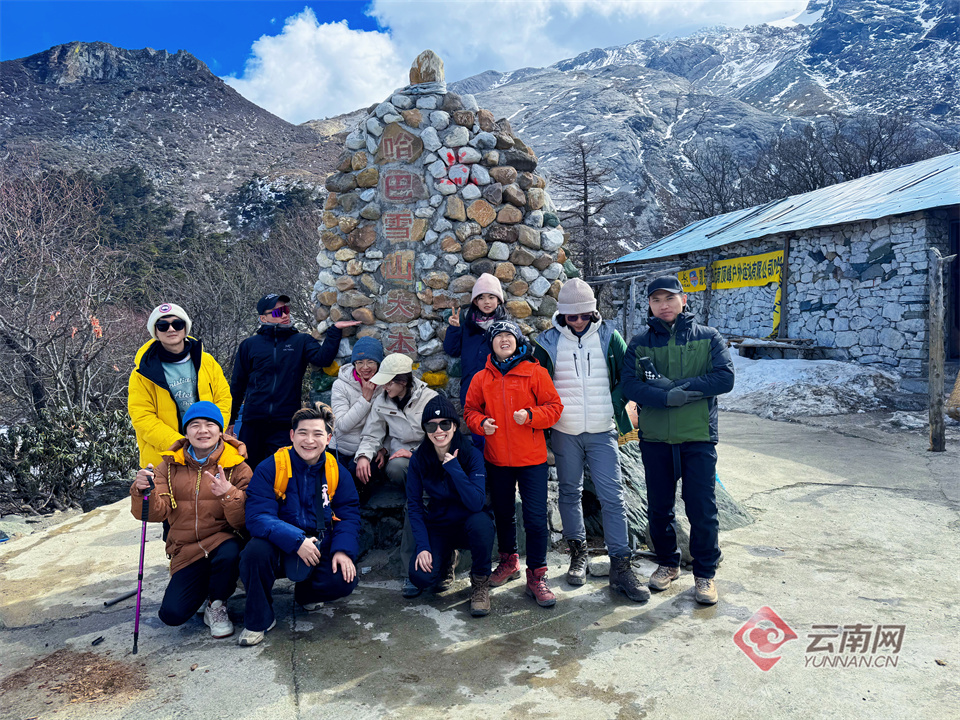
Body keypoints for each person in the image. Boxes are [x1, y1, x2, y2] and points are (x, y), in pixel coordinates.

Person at [533, 278, 650, 603]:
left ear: (593, 312)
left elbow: (630, 375)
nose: (578, 321)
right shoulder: (547, 342)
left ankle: (621, 566)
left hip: (602, 430)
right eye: (572, 316)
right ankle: (578, 554)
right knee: (570, 493)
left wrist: (615, 402)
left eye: (584, 315)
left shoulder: (610, 336)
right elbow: (537, 385)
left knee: (613, 497)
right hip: (564, 431)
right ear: (562, 314)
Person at [619, 276, 735, 606]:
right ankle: (668, 563)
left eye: (669, 298)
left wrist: (683, 389)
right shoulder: (640, 342)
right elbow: (629, 384)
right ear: (650, 305)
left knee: (702, 508)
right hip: (655, 438)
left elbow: (724, 378)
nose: (664, 305)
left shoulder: (708, 337)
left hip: (697, 437)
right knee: (659, 507)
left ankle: (705, 573)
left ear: (683, 300)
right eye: (656, 300)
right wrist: (664, 397)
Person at [238, 403, 361, 646]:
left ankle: (306, 593)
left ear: (328, 438)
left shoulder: (336, 471)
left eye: (317, 434)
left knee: (344, 579)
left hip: (319, 542)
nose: (309, 440)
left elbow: (348, 513)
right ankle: (259, 618)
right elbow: (257, 516)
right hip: (278, 542)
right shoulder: (271, 467)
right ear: (292, 435)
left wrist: (343, 551)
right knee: (254, 552)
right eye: (303, 433)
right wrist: (296, 541)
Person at [129, 401, 252, 639]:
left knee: (230, 552)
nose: (202, 430)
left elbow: (245, 522)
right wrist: (143, 491)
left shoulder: (237, 466)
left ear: (221, 431)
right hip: (186, 549)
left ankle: (217, 604)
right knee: (172, 615)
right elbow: (154, 514)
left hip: (222, 542)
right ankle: (204, 590)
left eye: (210, 424)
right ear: (186, 432)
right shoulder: (168, 466)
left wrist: (229, 494)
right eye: (195, 425)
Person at [464, 321, 563, 608]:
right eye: (498, 336)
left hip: (532, 460)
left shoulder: (535, 372)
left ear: (518, 341)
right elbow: (470, 410)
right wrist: (481, 423)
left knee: (535, 518)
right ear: (491, 344)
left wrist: (531, 416)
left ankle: (537, 575)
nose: (504, 340)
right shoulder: (482, 378)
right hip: (497, 459)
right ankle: (509, 562)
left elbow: (554, 408)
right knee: (504, 514)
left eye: (509, 335)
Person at [228, 292, 360, 469]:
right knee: (247, 470)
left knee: (282, 471)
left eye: (286, 310)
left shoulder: (301, 340)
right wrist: (230, 420)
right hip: (253, 422)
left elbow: (323, 359)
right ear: (263, 318)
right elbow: (238, 384)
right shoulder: (249, 345)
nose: (284, 315)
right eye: (277, 312)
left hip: (285, 423)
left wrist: (335, 330)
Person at [354, 353, 439, 598]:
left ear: (403, 380)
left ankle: (415, 571)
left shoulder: (430, 399)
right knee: (397, 470)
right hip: (402, 464)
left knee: (416, 502)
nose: (384, 387)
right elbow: (372, 434)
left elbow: (442, 436)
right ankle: (413, 570)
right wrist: (363, 456)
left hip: (429, 459)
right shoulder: (381, 401)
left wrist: (414, 452)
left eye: (389, 382)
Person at [407, 395, 496, 616]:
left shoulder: (471, 454)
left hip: (469, 522)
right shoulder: (419, 459)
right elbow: (414, 506)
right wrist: (423, 547)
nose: (439, 430)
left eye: (445, 424)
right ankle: (446, 559)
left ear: (455, 426)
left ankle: (480, 582)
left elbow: (476, 502)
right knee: (421, 577)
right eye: (431, 425)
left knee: (482, 524)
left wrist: (455, 469)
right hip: (440, 525)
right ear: (425, 430)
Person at [128, 302, 232, 469]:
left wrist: (211, 433)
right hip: (163, 457)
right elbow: (142, 416)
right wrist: (179, 444)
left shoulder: (207, 362)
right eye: (163, 326)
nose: (171, 329)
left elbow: (223, 399)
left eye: (177, 324)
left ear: (185, 328)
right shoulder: (142, 372)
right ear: (155, 331)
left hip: (208, 452)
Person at [443, 273, 506, 448]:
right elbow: (452, 350)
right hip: (471, 389)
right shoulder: (468, 327)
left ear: (499, 300)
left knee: (499, 436)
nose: (487, 302)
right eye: (481, 297)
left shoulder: (506, 328)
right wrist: (454, 329)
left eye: (491, 297)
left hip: (499, 389)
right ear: (475, 301)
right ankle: (481, 465)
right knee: (478, 434)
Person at [329, 336, 384, 473]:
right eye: (359, 362)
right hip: (341, 449)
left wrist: (384, 448)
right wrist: (365, 399)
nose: (365, 367)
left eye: (370, 362)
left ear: (378, 363)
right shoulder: (340, 385)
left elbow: (389, 423)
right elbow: (342, 425)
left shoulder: (385, 386)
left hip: (370, 449)